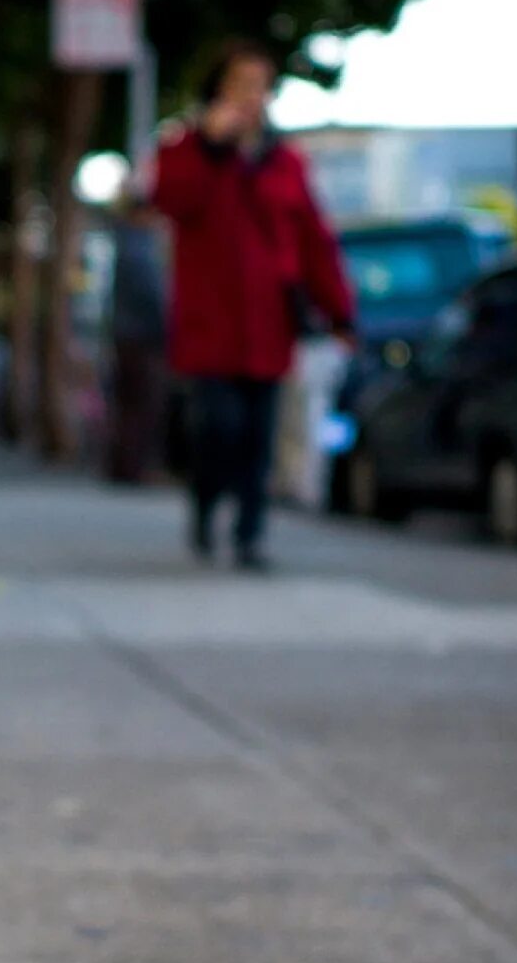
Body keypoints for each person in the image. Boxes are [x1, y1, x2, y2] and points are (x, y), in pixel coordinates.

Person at [148, 37, 357, 569]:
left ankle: (249, 535)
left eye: (259, 86)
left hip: (269, 323)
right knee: (219, 425)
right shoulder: (185, 151)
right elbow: (170, 200)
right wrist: (211, 148)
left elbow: (314, 239)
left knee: (260, 435)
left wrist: (339, 311)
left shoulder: (285, 163)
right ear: (217, 91)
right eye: (239, 85)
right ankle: (204, 502)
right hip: (209, 321)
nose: (249, 97)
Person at [100, 190, 170, 485]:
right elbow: (151, 294)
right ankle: (133, 468)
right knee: (142, 405)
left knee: (128, 405)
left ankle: (124, 466)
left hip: (126, 335)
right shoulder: (138, 246)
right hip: (141, 338)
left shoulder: (124, 243)